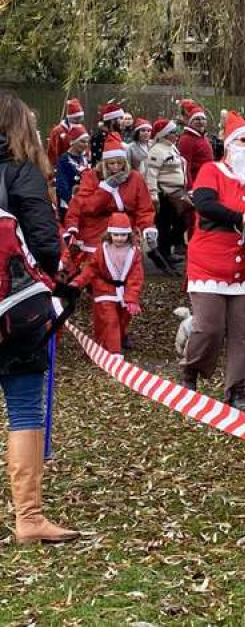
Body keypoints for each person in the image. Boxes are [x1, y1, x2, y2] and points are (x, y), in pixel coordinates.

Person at [0, 89, 78, 544]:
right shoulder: (22, 172)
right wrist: (61, 282)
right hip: (16, 311)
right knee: (25, 409)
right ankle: (28, 517)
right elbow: (46, 243)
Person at [180, 111, 245, 413]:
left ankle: (238, 389)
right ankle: (191, 370)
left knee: (241, 332)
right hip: (209, 263)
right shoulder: (211, 171)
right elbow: (204, 204)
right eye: (242, 140)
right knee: (209, 327)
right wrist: (240, 219)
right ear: (229, 144)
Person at [63, 132, 156, 264]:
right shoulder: (92, 176)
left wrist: (147, 227)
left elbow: (144, 208)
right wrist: (106, 188)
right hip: (97, 226)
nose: (116, 167)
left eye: (120, 163)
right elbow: (86, 207)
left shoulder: (135, 178)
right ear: (105, 163)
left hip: (126, 226)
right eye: (112, 164)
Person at [72, 213, 144, 354]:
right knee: (109, 320)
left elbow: (136, 276)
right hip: (104, 289)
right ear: (109, 234)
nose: (119, 238)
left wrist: (131, 298)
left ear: (128, 235)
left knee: (122, 318)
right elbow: (91, 269)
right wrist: (77, 282)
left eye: (122, 235)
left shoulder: (134, 252)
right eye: (115, 235)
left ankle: (116, 338)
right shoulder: (102, 250)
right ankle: (114, 354)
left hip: (124, 291)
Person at [146, 118, 190, 265]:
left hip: (176, 192)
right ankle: (164, 253)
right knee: (165, 224)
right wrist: (153, 194)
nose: (177, 134)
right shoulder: (157, 150)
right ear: (164, 134)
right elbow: (151, 174)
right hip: (165, 193)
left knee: (181, 220)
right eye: (173, 132)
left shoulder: (171, 147)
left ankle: (163, 249)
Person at [54, 124, 91, 220]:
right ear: (73, 142)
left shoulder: (84, 158)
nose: (85, 145)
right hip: (68, 204)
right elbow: (62, 185)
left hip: (84, 203)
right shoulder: (64, 159)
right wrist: (72, 202)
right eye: (82, 142)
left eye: (87, 142)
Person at [177, 99, 214, 188]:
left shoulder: (202, 137)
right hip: (195, 184)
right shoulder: (186, 140)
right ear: (190, 122)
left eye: (203, 119)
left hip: (206, 182)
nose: (201, 122)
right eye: (197, 119)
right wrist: (190, 188)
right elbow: (185, 166)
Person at [46, 97, 85, 168]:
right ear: (70, 118)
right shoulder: (58, 131)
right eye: (77, 119)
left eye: (81, 118)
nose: (79, 121)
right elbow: (55, 153)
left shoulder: (80, 128)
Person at [91, 101, 125, 166]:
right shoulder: (100, 136)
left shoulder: (115, 134)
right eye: (120, 118)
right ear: (112, 121)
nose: (123, 121)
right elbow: (99, 161)